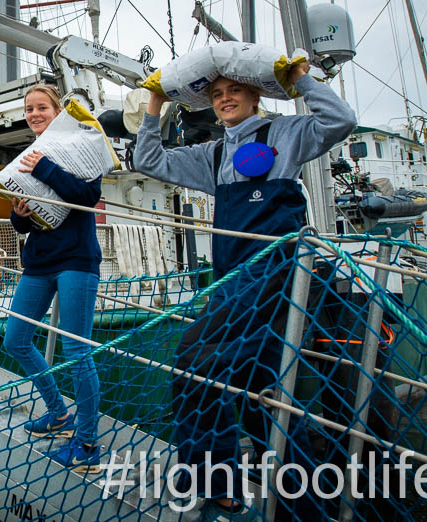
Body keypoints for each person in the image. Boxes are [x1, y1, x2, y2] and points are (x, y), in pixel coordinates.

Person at [132, 62, 355, 519]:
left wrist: (299, 81)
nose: (225, 99)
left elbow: (341, 122)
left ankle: (214, 482)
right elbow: (148, 161)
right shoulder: (214, 155)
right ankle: (307, 504)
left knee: (195, 363)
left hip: (274, 279)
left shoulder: (286, 134)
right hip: (233, 282)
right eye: (216, 94)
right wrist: (154, 105)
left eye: (235, 90)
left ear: (256, 97)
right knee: (265, 395)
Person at [4, 84, 104, 473]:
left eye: (41, 107)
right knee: (16, 339)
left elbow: (87, 197)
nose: (34, 113)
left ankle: (88, 444)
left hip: (76, 259)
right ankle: (59, 413)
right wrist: (21, 212)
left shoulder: (79, 147)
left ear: (57, 111)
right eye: (29, 109)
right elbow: (20, 223)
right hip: (40, 260)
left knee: (76, 352)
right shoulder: (25, 156)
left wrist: (44, 167)